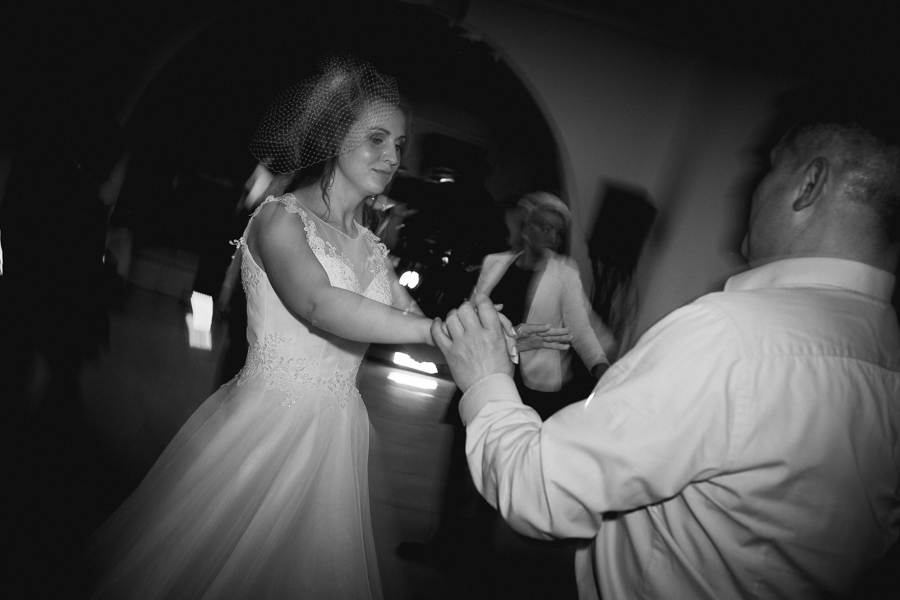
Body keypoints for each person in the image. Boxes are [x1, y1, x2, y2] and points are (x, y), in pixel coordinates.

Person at [432, 117, 900, 599]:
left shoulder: (730, 338)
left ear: (810, 184)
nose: (752, 191)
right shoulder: (887, 349)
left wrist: (489, 376)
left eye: (771, 169)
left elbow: (540, 489)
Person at [86, 53, 438, 600]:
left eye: (400, 144)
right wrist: (431, 333)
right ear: (334, 137)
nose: (394, 157)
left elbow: (411, 318)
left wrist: (487, 333)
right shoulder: (279, 218)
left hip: (338, 430)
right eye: (377, 139)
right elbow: (318, 304)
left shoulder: (371, 244)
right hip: (268, 423)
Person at [472, 191, 612, 419]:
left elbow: (580, 330)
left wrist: (601, 367)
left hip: (529, 382)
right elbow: (473, 310)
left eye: (559, 232)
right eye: (546, 228)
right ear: (527, 229)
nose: (553, 237)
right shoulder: (494, 263)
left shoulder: (564, 274)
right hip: (485, 368)